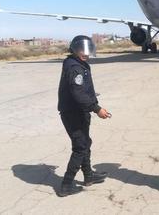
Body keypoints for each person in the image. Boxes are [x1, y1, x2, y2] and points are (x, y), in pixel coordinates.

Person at [57, 35, 111, 197]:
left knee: (85, 143)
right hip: (73, 113)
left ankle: (88, 176)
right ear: (74, 49)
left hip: (79, 111)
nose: (85, 54)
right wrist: (96, 108)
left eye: (87, 51)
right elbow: (78, 93)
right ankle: (66, 185)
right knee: (80, 147)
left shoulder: (78, 63)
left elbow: (81, 92)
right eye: (81, 50)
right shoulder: (75, 68)